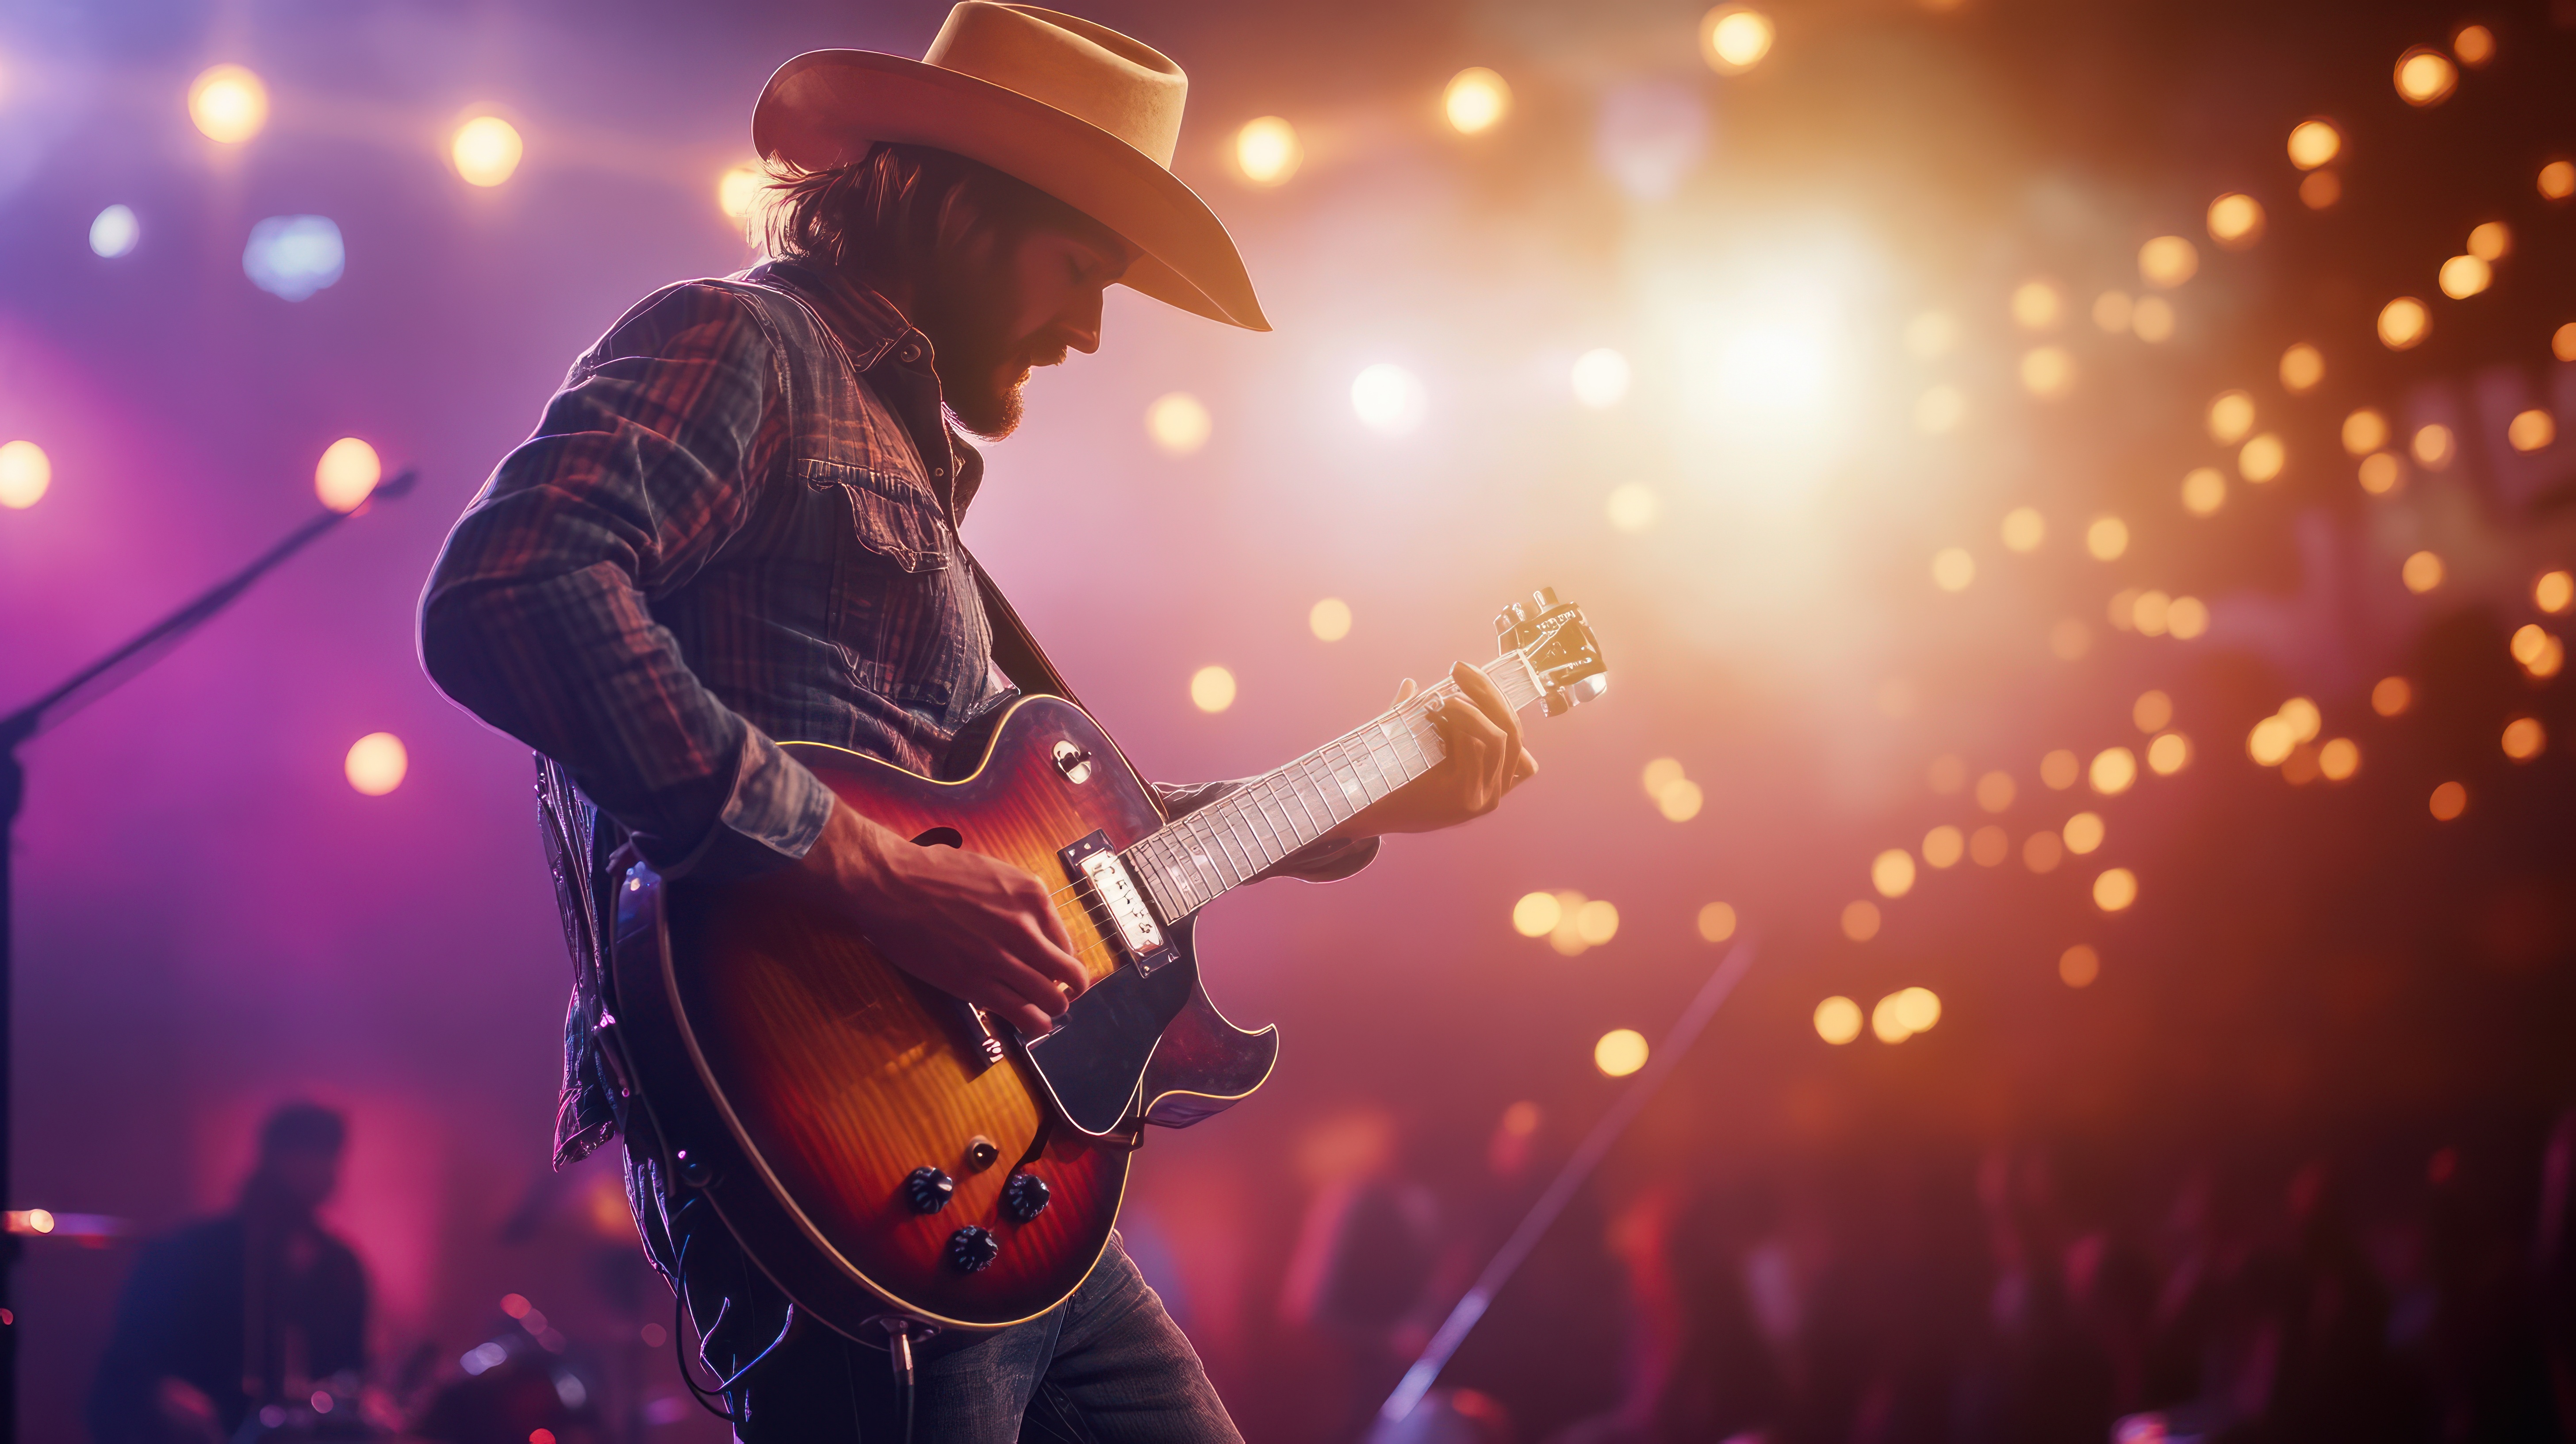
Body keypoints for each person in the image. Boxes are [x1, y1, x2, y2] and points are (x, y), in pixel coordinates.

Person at [416, 5, 1537, 1439]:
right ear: (945, 201)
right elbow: (509, 587)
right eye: (1079, 269)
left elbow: (1071, 857)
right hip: (838, 1155)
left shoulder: (914, 461)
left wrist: (1368, 794)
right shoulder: (744, 341)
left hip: (998, 1165)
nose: (1085, 330)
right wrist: (874, 875)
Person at [87, 1102, 368, 1444]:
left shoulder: (340, 1266)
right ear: (281, 1159)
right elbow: (129, 1364)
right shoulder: (191, 1252)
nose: (331, 1174)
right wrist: (168, 1397)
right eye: (319, 1156)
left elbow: (352, 1370)